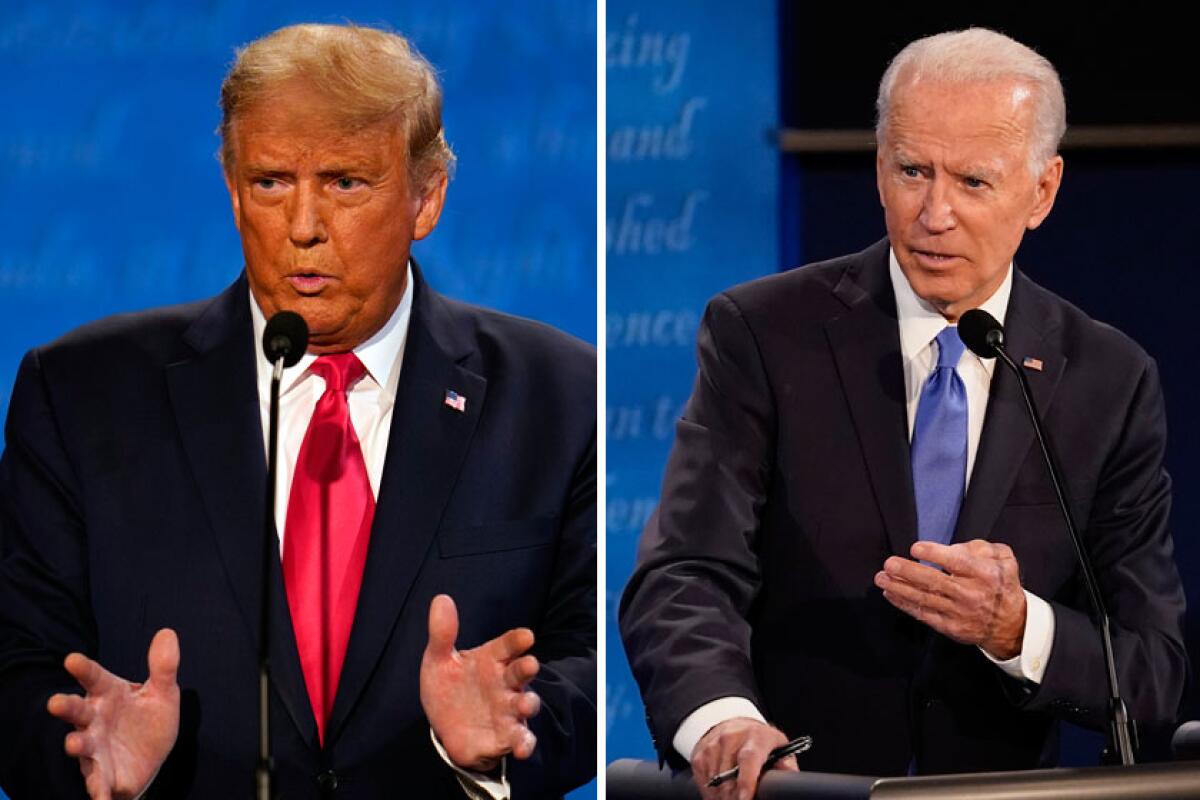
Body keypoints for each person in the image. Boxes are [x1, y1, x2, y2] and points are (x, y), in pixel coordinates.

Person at [0, 23, 595, 800]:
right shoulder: (79, 392)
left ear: (427, 197)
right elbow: (18, 662)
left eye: (346, 183)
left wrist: (506, 737)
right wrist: (81, 763)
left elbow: (589, 654)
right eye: (271, 182)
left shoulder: (557, 393)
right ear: (230, 185)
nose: (303, 226)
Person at [619, 27, 1185, 800]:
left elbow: (1152, 667)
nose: (934, 213)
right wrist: (722, 718)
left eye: (974, 183)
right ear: (879, 170)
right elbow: (685, 573)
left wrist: (1018, 629)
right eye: (912, 170)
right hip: (801, 788)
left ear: (1042, 192)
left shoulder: (1108, 380)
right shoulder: (764, 334)